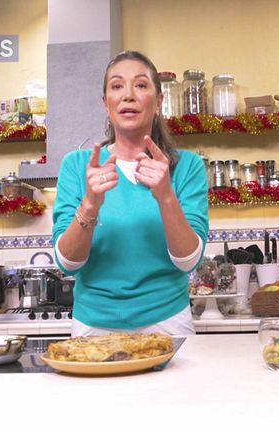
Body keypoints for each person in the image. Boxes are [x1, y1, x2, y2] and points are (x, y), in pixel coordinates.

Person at [51, 51, 208, 337]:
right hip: (93, 326)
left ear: (158, 102)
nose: (128, 95)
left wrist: (166, 196)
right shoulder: (77, 166)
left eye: (140, 85)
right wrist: (89, 204)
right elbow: (68, 263)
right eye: (117, 86)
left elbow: (188, 261)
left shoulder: (187, 166)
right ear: (106, 103)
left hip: (168, 323)